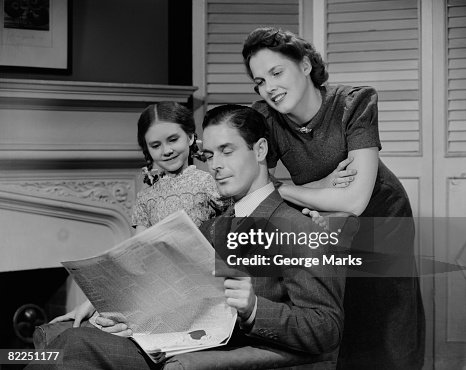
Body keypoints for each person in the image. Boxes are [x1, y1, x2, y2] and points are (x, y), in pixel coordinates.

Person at [28, 105, 359, 370]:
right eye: (211, 154)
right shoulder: (215, 227)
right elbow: (175, 293)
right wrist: (127, 314)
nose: (216, 165)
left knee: (74, 347)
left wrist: (256, 308)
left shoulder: (298, 229)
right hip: (177, 340)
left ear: (259, 150)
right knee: (67, 339)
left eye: (227, 151)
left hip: (221, 354)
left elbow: (326, 329)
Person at [242, 27, 425, 369]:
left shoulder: (353, 102)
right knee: (335, 313)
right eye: (260, 81)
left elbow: (355, 200)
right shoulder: (265, 119)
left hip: (381, 216)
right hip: (322, 220)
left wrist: (291, 190)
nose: (269, 88)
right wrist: (318, 187)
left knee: (385, 315)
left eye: (276, 72)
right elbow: (255, 184)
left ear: (306, 65)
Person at [48, 101, 229, 333]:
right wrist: (92, 303)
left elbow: (235, 238)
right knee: (90, 328)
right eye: (156, 145)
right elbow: (134, 260)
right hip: (156, 293)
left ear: (191, 138)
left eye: (173, 139)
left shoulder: (210, 183)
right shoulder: (145, 197)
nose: (166, 150)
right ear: (147, 149)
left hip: (203, 291)